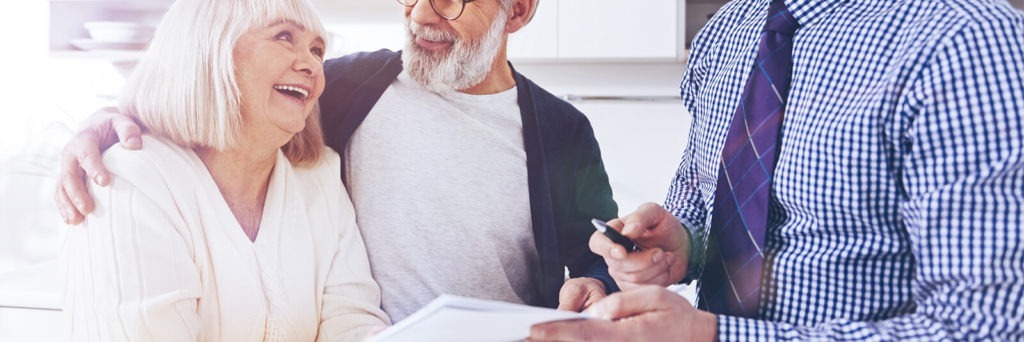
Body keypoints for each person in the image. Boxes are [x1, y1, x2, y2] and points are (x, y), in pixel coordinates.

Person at [56, 0, 620, 322]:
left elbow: (599, 258)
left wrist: (596, 287)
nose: (422, 15)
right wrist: (109, 120)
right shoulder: (351, 84)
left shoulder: (563, 131)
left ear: (516, 10)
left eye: (448, 1)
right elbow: (224, 93)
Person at [530, 0, 1024, 340]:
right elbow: (702, 204)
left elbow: (984, 328)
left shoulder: (965, 40)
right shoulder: (726, 32)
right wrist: (675, 248)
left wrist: (712, 335)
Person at [62, 0, 390, 340]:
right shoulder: (132, 180)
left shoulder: (318, 177)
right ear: (209, 49)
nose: (312, 64)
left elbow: (352, 321)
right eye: (283, 36)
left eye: (317, 50)